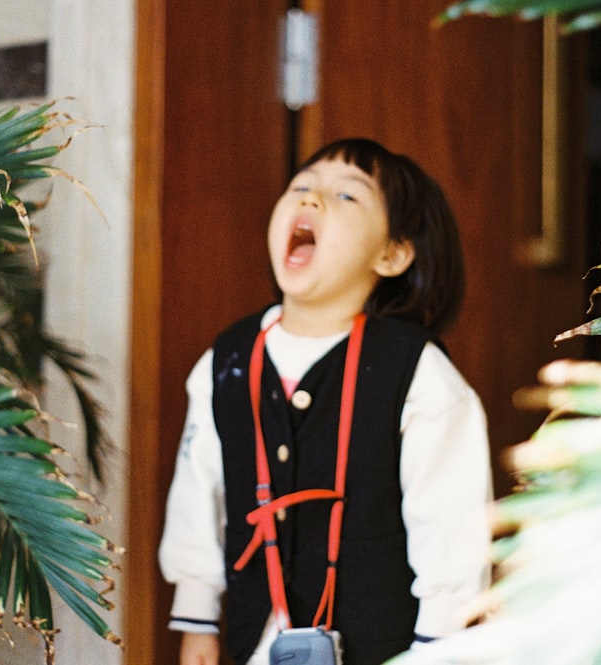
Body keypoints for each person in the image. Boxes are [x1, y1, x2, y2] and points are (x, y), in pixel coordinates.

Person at [158, 138, 492, 665]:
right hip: (258, 644)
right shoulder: (227, 360)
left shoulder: (416, 371)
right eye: (302, 186)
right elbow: (199, 495)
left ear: (393, 254)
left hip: (388, 647)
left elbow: (450, 526)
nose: (311, 200)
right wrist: (197, 617)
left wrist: (439, 649)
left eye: (346, 196)